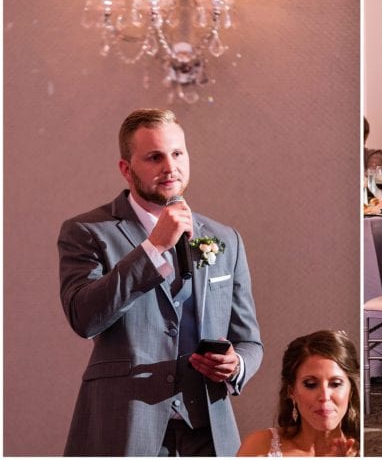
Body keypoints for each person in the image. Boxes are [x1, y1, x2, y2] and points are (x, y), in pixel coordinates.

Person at [58, 108, 262, 456]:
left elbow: (249, 342)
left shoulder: (226, 238)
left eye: (177, 153)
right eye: (155, 157)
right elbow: (85, 317)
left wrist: (236, 364)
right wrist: (152, 249)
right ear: (127, 169)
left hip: (208, 429)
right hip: (124, 425)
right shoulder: (86, 232)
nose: (170, 167)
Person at [237, 330, 359, 457]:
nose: (324, 396)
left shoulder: (362, 451)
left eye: (336, 384)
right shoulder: (260, 446)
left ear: (351, 390)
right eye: (311, 384)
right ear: (291, 391)